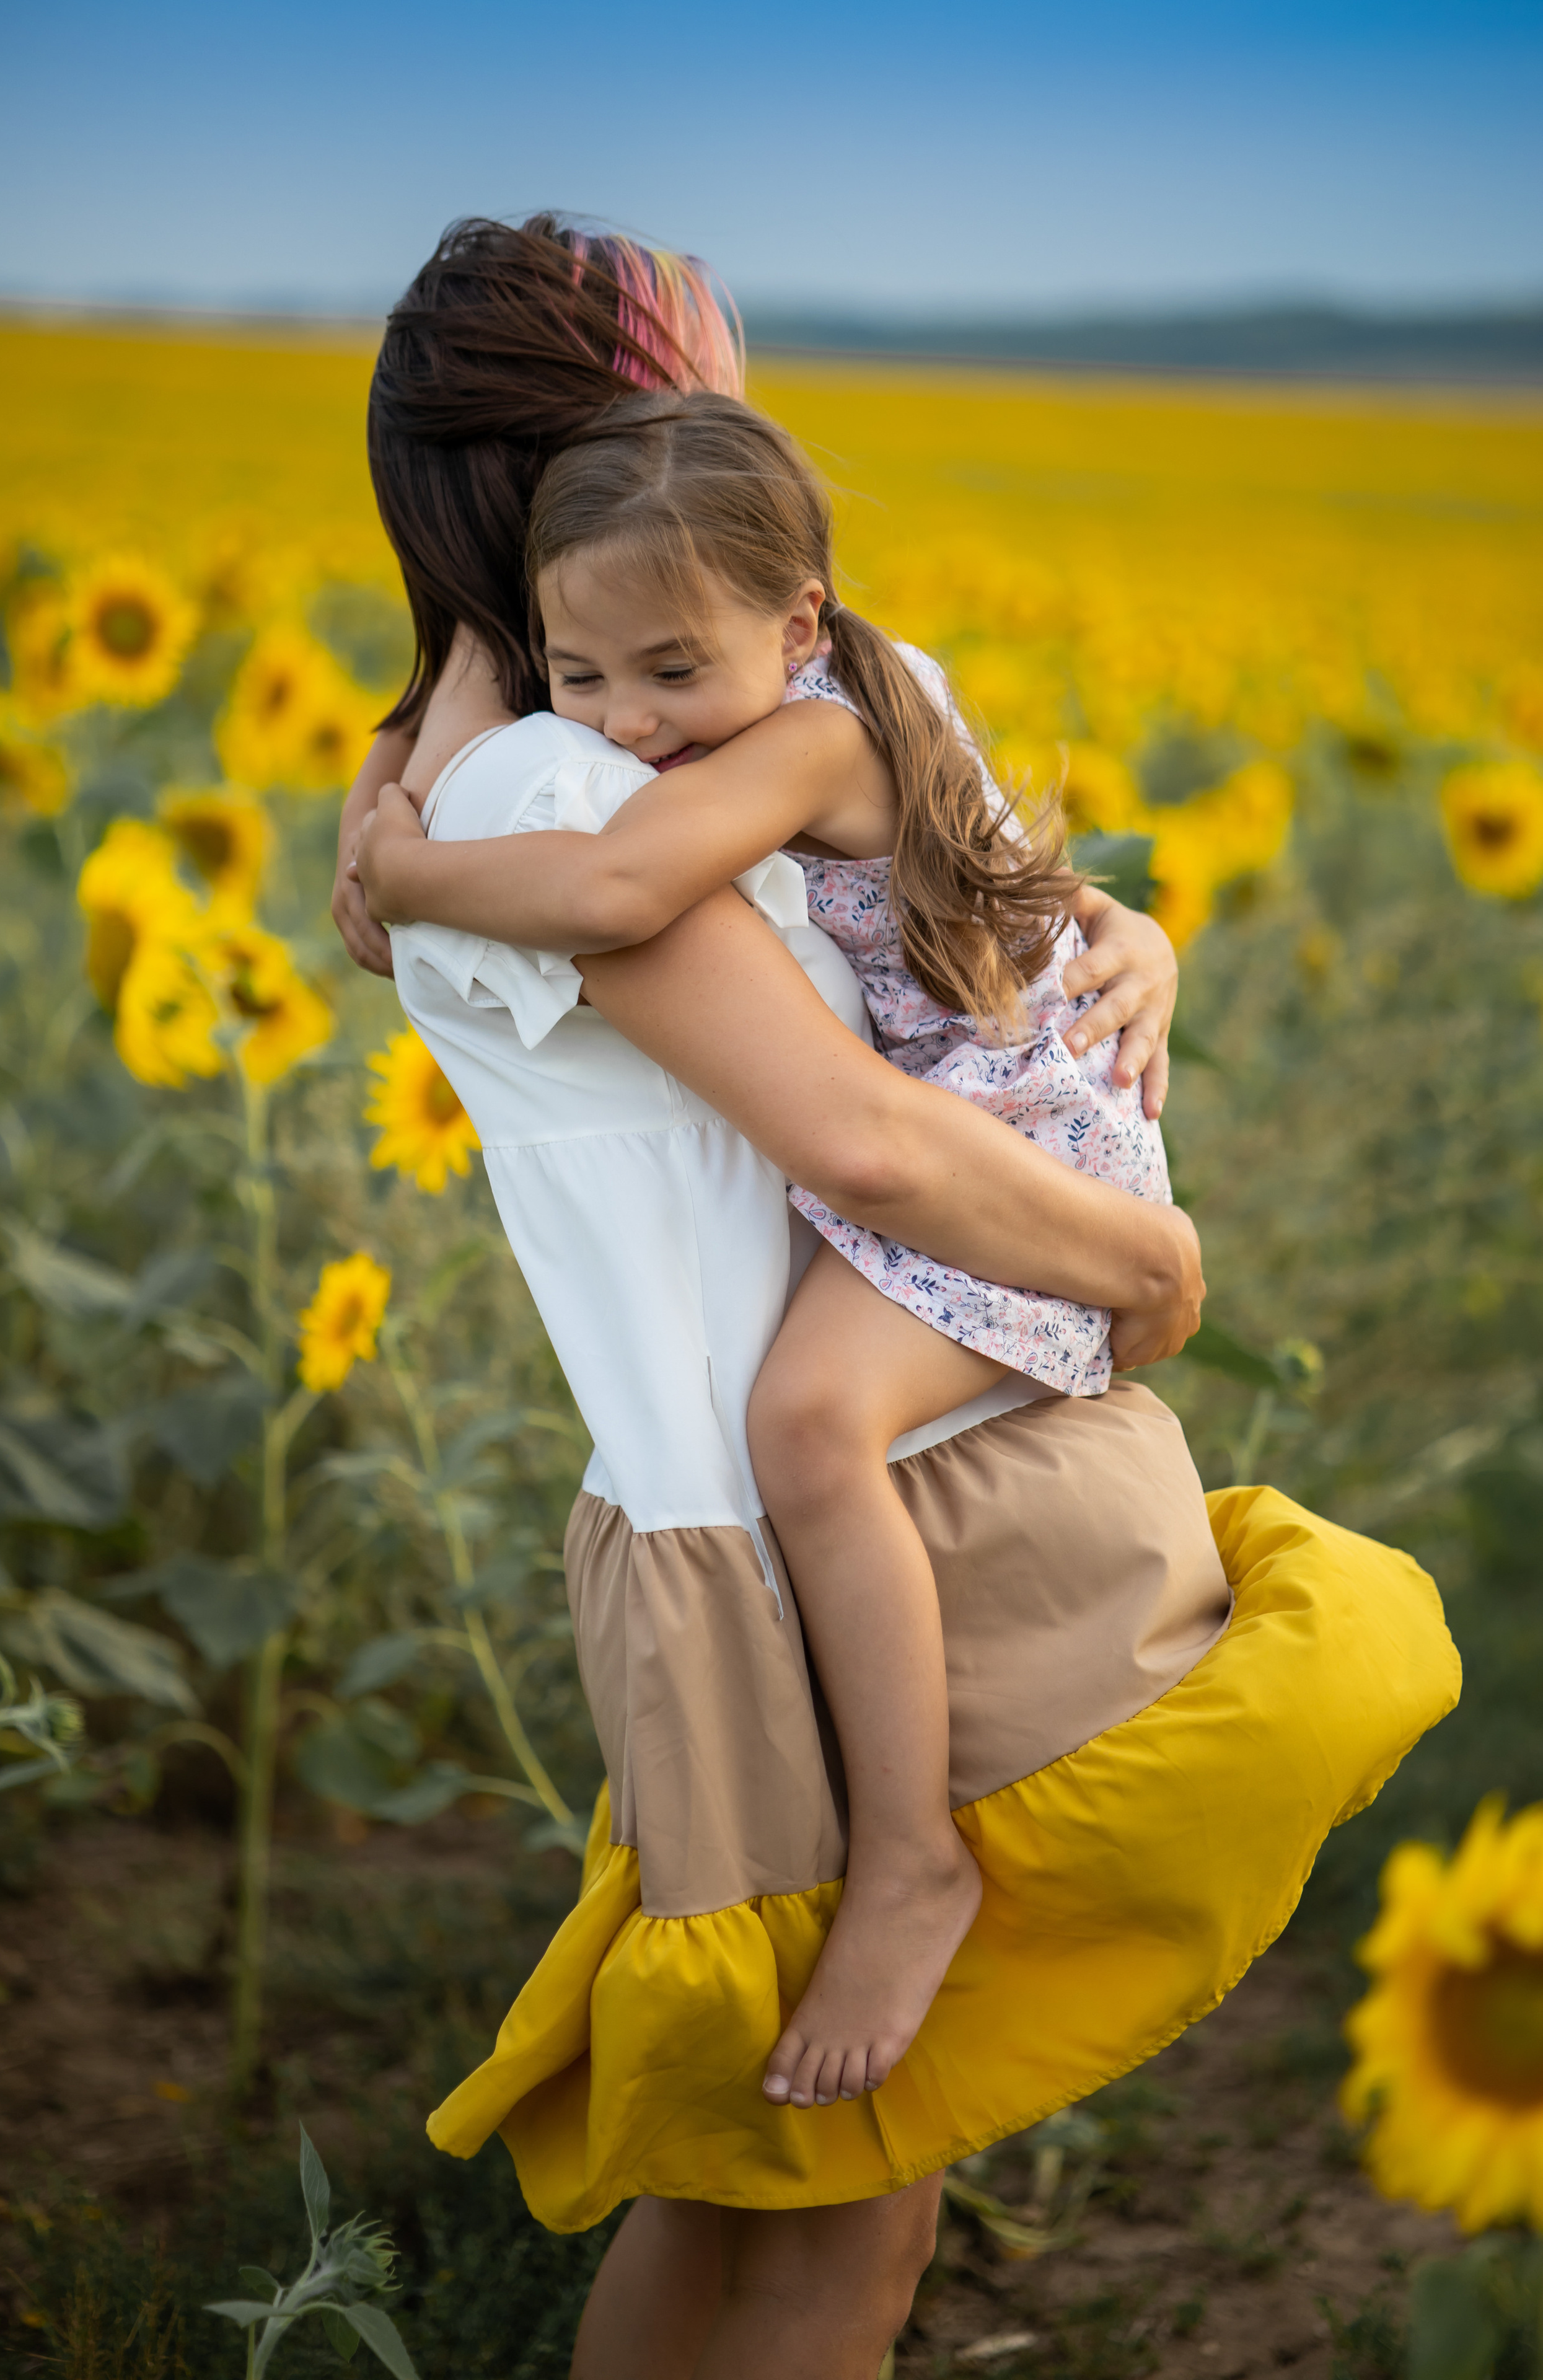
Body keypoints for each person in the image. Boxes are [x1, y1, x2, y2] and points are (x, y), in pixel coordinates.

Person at [334, 216, 1460, 2380]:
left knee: (752, 2192)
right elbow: (853, 1133)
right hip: (848, 1499)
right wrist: (1144, 1250)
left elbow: (925, 893)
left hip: (794, 1489)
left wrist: (1116, 930)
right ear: (616, 428)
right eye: (714, 364)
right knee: (837, 2238)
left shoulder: (507, 755)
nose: (751, 402)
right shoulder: (577, 780)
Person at [353, 385, 1199, 2120]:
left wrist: (409, 869)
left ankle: (909, 1864)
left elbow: (609, 892)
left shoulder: (814, 736)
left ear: (797, 621)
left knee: (807, 1430)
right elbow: (1038, 896)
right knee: (815, 1426)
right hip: (998, 1126)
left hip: (1022, 1154)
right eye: (579, 682)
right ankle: (910, 1846)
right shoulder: (819, 697)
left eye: (672, 672)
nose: (630, 725)